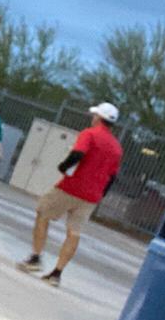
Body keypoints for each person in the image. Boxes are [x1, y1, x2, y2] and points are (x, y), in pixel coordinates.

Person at [19, 103, 124, 287]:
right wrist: (101, 194)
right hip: (92, 196)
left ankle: (35, 258)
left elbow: (78, 153)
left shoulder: (90, 133)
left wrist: (63, 166)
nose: (92, 118)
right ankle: (56, 274)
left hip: (71, 187)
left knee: (43, 213)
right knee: (74, 232)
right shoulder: (117, 147)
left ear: (99, 118)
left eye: (95, 115)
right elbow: (113, 176)